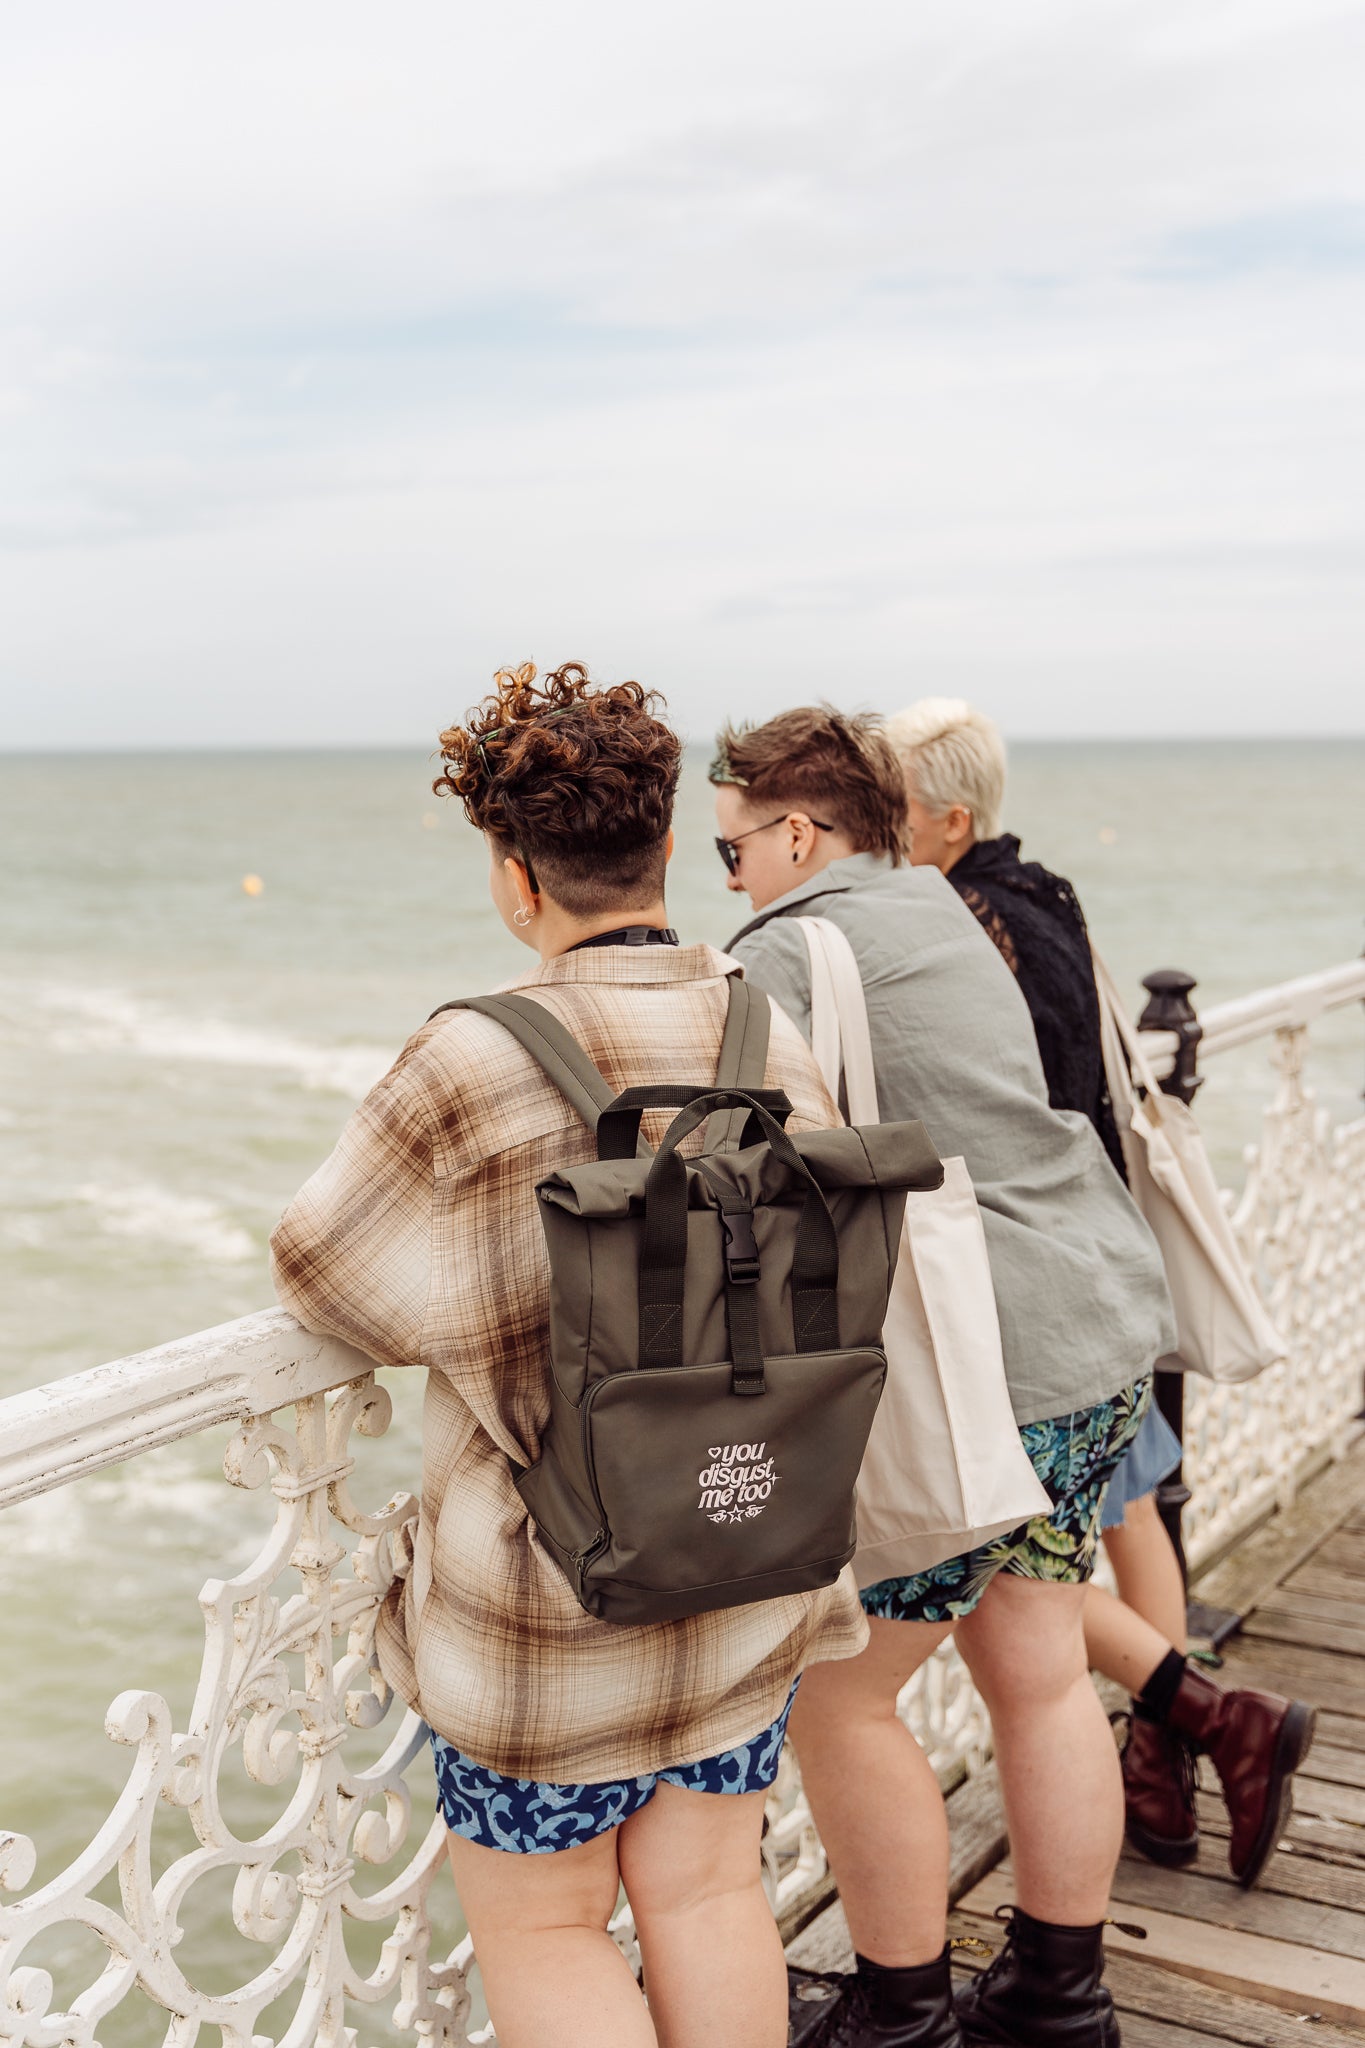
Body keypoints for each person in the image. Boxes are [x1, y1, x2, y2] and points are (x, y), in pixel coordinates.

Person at [271, 663, 871, 2048]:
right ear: (665, 848)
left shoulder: (471, 1055)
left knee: (545, 1928)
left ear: (515, 878)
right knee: (715, 1895)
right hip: (741, 1559)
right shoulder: (763, 1030)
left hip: (548, 1612)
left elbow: (322, 1266)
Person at [712, 706, 1176, 2048]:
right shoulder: (934, 904)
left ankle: (901, 2010)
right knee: (1033, 1658)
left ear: (797, 832)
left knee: (837, 1693)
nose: (726, 872)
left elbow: (727, 1142)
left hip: (993, 1370)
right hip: (1098, 1330)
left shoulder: (793, 946)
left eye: (732, 843)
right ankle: (1057, 1994)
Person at [887, 695, 1316, 1891]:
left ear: (949, 817)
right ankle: (1176, 1754)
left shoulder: (959, 926)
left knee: (1014, 1583)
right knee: (1117, 1521)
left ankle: (1202, 1726)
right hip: (1101, 1272)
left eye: (892, 810)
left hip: (1030, 1293)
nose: (875, 832)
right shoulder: (1047, 897)